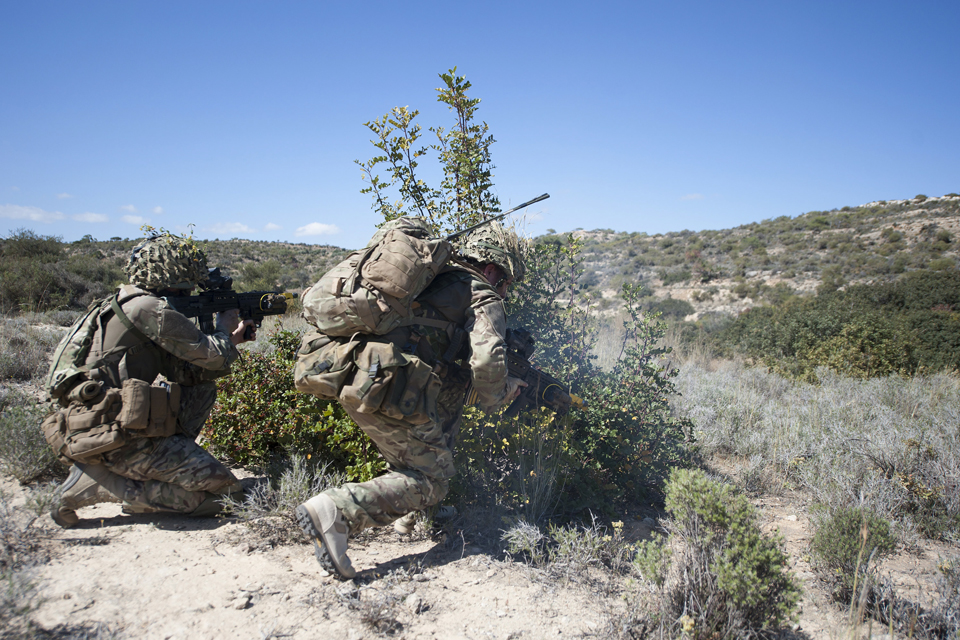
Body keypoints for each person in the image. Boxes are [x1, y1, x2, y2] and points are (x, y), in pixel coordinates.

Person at [295, 221, 527, 579]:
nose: (506, 291)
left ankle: (409, 515)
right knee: (431, 479)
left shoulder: (425, 275)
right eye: (507, 282)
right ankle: (337, 512)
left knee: (425, 450)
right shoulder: (481, 291)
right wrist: (499, 393)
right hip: (387, 380)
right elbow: (486, 360)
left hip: (343, 366)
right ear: (493, 268)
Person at [49, 232, 257, 528]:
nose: (189, 294)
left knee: (202, 386)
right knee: (227, 497)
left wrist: (228, 343)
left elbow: (187, 373)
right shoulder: (148, 308)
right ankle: (104, 484)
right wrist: (224, 331)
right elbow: (211, 355)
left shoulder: (117, 304)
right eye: (187, 286)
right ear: (174, 277)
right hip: (116, 440)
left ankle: (150, 462)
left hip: (88, 428)